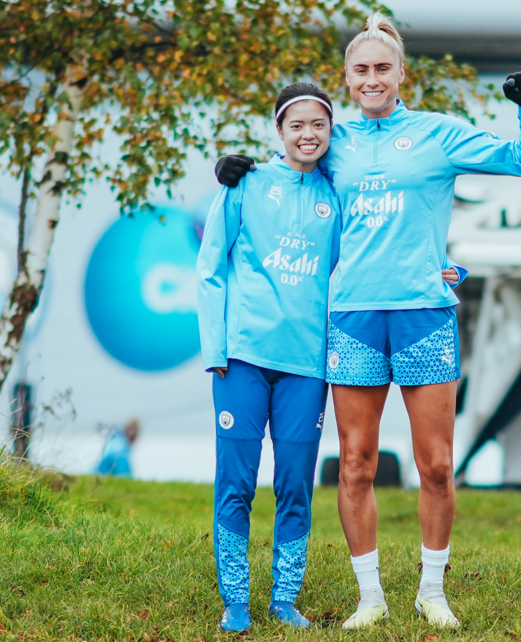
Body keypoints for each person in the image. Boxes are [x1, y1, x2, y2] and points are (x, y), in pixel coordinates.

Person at [215, 12, 521, 629]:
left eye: (382, 69)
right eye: (361, 70)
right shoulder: (333, 140)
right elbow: (293, 152)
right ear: (346, 78)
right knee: (357, 461)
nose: (372, 79)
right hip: (353, 317)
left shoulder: (437, 134)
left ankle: (431, 592)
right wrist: (238, 171)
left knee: (437, 464)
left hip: (424, 315)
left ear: (400, 73)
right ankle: (370, 597)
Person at [198, 81, 467, 633]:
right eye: (295, 125)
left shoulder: (337, 194)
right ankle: (235, 603)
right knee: (237, 482)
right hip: (243, 356)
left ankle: (284, 600)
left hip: (309, 362)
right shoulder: (244, 183)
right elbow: (211, 267)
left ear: (330, 131)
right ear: (278, 130)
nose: (308, 134)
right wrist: (214, 347)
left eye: (318, 124)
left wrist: (441, 269)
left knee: (295, 483)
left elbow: (386, 242)